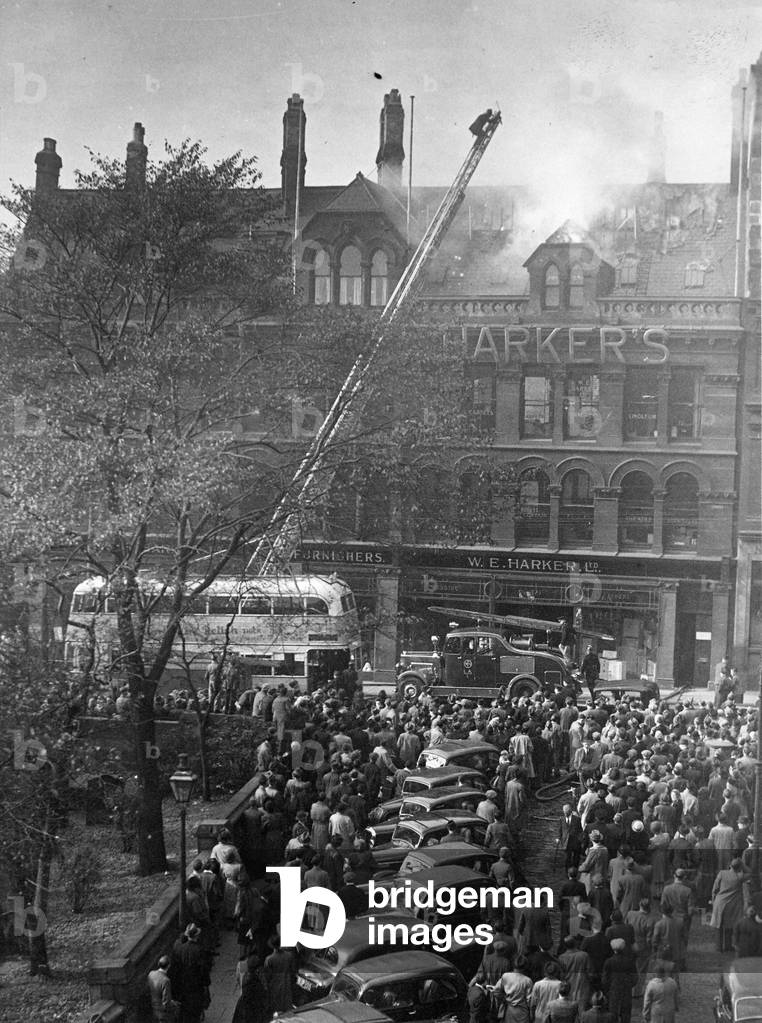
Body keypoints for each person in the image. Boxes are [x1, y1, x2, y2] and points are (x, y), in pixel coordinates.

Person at [148, 955, 179, 1022]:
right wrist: (174, 1005)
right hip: (163, 1014)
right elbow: (166, 1002)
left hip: (154, 1009)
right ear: (168, 966)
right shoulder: (166, 980)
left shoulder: (151, 974)